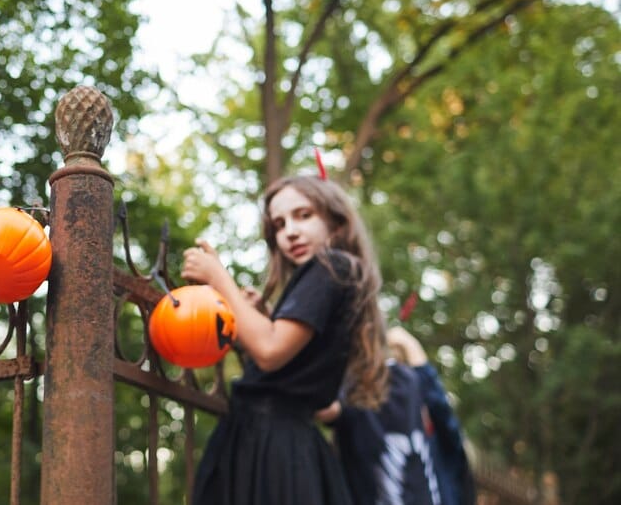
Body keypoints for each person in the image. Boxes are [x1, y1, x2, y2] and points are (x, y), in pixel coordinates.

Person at [181, 174, 390, 505]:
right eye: (278, 224)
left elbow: (269, 350)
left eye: (303, 215)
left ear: (336, 224)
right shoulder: (341, 274)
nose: (289, 231)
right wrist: (259, 318)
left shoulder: (330, 265)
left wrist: (218, 277)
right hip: (288, 447)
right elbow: (291, 367)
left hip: (272, 447)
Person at [315, 326, 475, 505]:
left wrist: (409, 346)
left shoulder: (424, 404)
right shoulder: (357, 399)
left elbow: (442, 414)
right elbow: (327, 409)